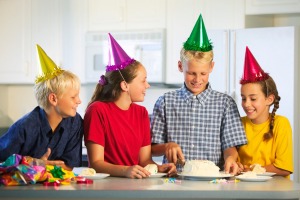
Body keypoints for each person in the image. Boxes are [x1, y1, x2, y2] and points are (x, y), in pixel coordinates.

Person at [150, 14, 247, 175]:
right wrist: (167, 146)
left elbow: (230, 145)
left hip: (213, 181)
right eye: (191, 73)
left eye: (203, 73)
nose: (197, 79)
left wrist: (230, 158)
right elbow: (152, 149)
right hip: (174, 180)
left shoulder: (225, 103)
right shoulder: (165, 102)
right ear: (181, 66)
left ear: (211, 67)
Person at [84, 33, 176, 179]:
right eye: (143, 81)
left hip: (135, 185)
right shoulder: (97, 110)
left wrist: (160, 168)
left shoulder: (141, 113)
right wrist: (125, 170)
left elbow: (144, 161)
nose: (147, 85)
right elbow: (96, 163)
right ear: (125, 85)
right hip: (106, 186)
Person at [0, 45, 83, 171]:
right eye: (73, 97)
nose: (79, 101)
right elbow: (3, 164)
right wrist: (32, 163)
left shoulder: (75, 123)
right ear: (53, 99)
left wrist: (46, 166)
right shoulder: (24, 127)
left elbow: (69, 166)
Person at [238, 46, 293, 177]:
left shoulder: (281, 124)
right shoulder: (239, 123)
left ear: (269, 99)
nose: (246, 104)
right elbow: (233, 159)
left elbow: (284, 168)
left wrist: (252, 170)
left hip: (275, 189)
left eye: (253, 98)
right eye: (243, 98)